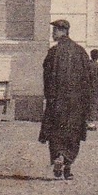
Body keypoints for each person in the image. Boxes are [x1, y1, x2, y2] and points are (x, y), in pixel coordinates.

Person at [39, 20, 89, 179]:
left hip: (57, 101)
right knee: (73, 134)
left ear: (62, 31)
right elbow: (87, 79)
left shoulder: (53, 52)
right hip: (76, 103)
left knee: (56, 133)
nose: (52, 33)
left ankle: (58, 157)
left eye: (54, 30)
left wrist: (49, 96)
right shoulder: (81, 52)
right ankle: (67, 166)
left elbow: (46, 76)